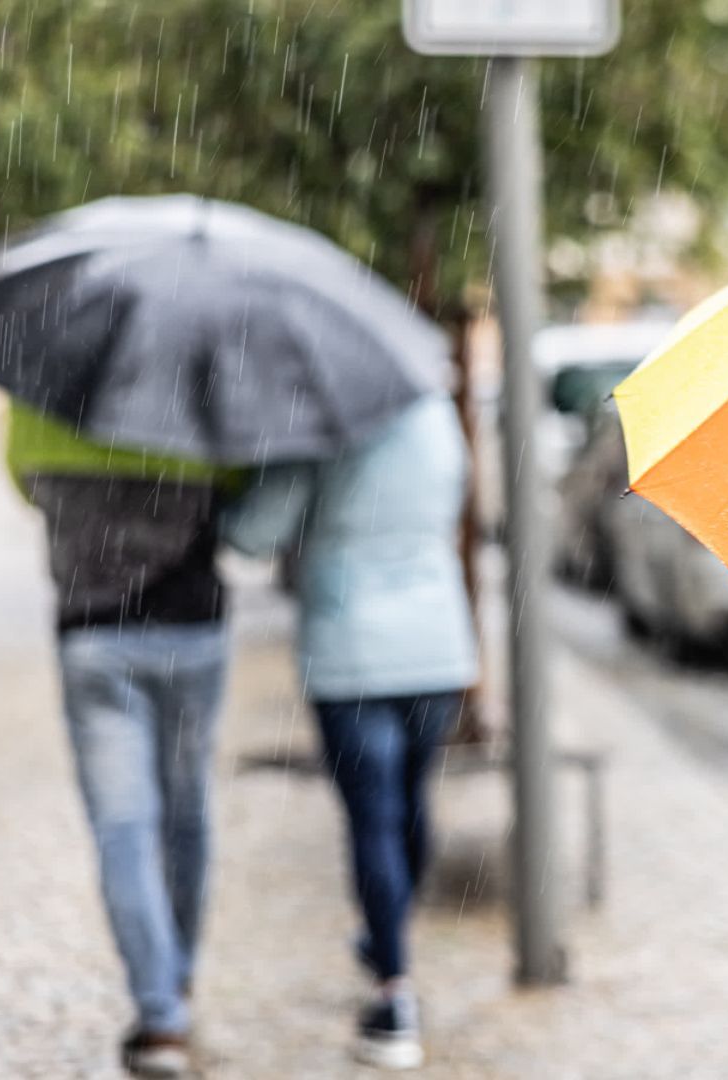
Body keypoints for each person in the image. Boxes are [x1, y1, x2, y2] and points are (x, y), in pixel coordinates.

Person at [224, 393, 476, 1071]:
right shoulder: (435, 415)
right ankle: (387, 932)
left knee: (373, 817)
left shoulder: (317, 420)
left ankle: (394, 995)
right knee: (411, 802)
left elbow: (255, 532)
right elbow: (453, 497)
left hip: (350, 647)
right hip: (436, 643)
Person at [7, 404, 237, 1079]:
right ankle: (180, 976)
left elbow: (23, 480)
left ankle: (160, 1016)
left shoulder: (45, 386)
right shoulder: (198, 378)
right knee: (186, 812)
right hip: (192, 625)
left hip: (93, 628)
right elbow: (243, 478)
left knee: (123, 828)